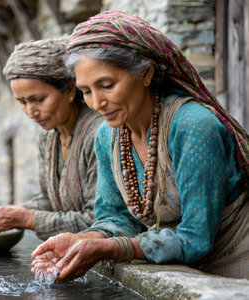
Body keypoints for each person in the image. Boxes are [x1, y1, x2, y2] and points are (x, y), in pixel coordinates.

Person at [31, 11, 249, 281]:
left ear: (146, 74)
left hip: (236, 270)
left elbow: (196, 238)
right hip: (177, 273)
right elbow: (116, 217)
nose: (97, 104)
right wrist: (81, 240)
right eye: (86, 91)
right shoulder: (107, 137)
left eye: (107, 85)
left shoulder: (193, 127)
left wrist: (109, 248)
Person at [0, 36, 103, 240]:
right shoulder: (49, 139)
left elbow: (100, 220)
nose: (31, 112)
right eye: (22, 102)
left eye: (39, 100)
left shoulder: (98, 135)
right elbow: (49, 200)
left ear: (70, 89)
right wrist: (8, 214)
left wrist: (28, 219)